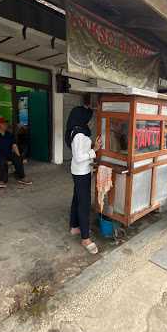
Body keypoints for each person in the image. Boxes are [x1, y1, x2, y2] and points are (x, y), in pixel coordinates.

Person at [65, 106, 102, 254]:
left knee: (77, 199)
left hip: (78, 171)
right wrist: (95, 151)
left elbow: (80, 152)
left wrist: (94, 146)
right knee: (84, 204)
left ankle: (74, 227)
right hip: (81, 172)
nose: (90, 120)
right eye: (88, 117)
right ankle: (85, 238)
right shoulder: (80, 134)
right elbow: (79, 157)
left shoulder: (77, 129)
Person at [0, 117, 32, 188]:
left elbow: (14, 146)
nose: (5, 125)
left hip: (8, 153)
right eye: (3, 124)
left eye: (6, 124)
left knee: (18, 159)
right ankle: (2, 181)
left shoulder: (9, 134)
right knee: (2, 163)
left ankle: (22, 178)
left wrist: (18, 156)